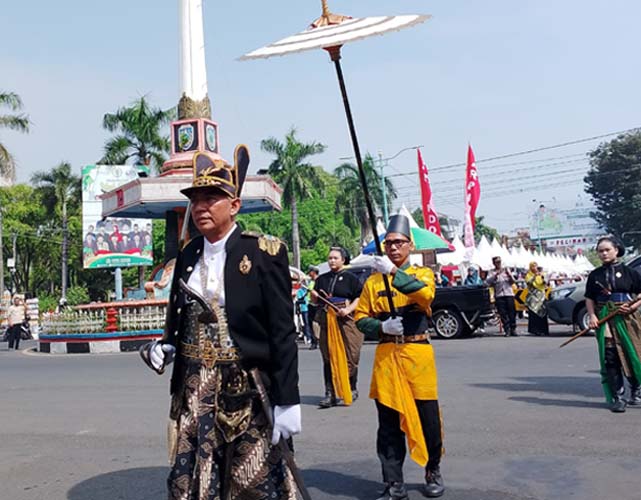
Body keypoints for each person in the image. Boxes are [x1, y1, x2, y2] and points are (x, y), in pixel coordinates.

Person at [139, 146, 301, 499]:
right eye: (195, 199)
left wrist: (288, 399)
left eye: (212, 198)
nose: (200, 207)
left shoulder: (263, 252)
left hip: (248, 387)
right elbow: (179, 312)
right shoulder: (188, 254)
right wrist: (166, 345)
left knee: (251, 480)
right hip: (195, 387)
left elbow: (282, 333)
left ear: (234, 205)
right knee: (193, 479)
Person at [354, 214, 444, 499]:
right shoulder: (371, 283)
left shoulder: (422, 274)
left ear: (410, 245)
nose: (393, 248)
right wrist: (380, 326)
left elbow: (424, 295)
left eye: (399, 243)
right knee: (388, 424)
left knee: (428, 419)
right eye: (389, 243)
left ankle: (433, 468)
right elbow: (360, 318)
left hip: (417, 355)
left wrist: (393, 273)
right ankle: (393, 482)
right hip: (386, 355)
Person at [585, 236, 641, 413]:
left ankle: (636, 391)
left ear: (616, 250)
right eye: (600, 251)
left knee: (632, 353)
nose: (603, 253)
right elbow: (589, 298)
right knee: (610, 357)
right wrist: (592, 316)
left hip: (628, 318)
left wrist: (633, 307)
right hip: (605, 317)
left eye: (607, 250)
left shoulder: (629, 272)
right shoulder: (595, 275)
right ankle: (618, 396)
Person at [312, 247, 364, 408]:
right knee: (328, 356)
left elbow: (359, 297)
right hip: (326, 319)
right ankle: (330, 393)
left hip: (346, 320)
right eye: (330, 258)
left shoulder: (351, 278)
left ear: (343, 260)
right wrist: (314, 297)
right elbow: (316, 301)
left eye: (335, 258)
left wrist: (348, 310)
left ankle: (351, 386)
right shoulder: (322, 279)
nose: (332, 261)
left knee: (351, 355)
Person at [486, 256, 517, 336]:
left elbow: (513, 281)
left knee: (512, 312)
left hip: (509, 293)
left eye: (499, 262)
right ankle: (507, 329)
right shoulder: (491, 272)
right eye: (496, 262)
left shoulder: (506, 270)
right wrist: (495, 276)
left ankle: (513, 328)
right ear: (494, 263)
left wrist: (509, 275)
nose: (498, 263)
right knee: (503, 313)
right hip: (499, 294)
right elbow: (487, 282)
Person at [525, 261, 549, 336]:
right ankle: (535, 330)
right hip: (533, 297)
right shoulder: (529, 275)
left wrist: (542, 276)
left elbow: (545, 282)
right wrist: (534, 276)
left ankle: (544, 330)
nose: (534, 268)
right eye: (533, 266)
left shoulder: (541, 274)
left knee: (542, 313)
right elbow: (529, 283)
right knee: (534, 314)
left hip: (541, 296)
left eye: (535, 266)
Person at [306, 266, 320, 350]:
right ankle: (314, 341)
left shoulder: (319, 281)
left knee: (317, 323)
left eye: (310, 271)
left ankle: (317, 339)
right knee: (310, 323)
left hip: (317, 304)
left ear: (313, 272)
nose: (309, 273)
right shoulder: (311, 282)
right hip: (310, 303)